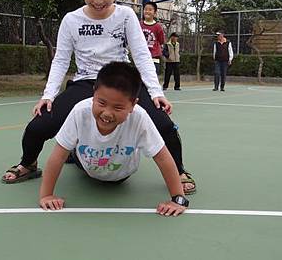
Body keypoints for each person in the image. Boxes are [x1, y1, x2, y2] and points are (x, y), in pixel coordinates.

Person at [1, 0, 196, 195]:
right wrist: (48, 96)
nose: (98, 0)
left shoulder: (125, 16)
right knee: (37, 128)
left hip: (121, 82)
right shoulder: (71, 20)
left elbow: (141, 54)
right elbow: (61, 60)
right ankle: (28, 163)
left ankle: (178, 170)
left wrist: (155, 92)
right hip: (86, 83)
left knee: (164, 124)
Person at [39, 62, 189, 216]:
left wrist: (178, 198)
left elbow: (163, 158)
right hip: (86, 165)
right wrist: (47, 195)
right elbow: (58, 155)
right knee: (70, 152)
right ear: (94, 93)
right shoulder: (80, 112)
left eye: (118, 108)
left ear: (133, 105)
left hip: (121, 175)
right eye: (101, 103)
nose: (107, 113)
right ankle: (74, 152)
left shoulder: (140, 117)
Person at [140, 1, 165, 75]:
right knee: (140, 81)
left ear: (154, 13)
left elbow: (161, 40)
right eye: (145, 9)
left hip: (154, 58)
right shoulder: (139, 24)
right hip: (142, 58)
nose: (147, 11)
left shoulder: (158, 27)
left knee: (152, 82)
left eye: (150, 10)